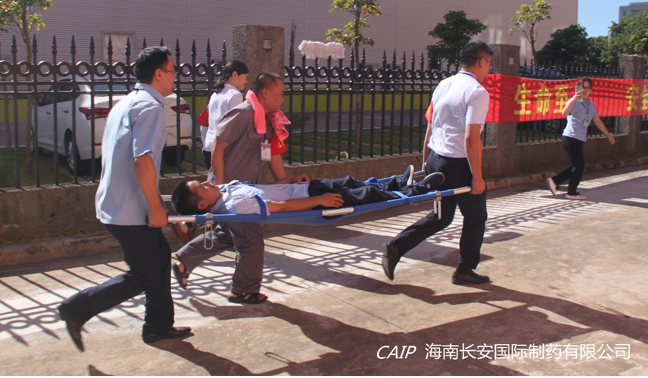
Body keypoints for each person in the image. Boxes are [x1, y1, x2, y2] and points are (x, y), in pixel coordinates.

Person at [57, 46, 191, 351]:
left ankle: (158, 325)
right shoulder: (150, 107)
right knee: (145, 274)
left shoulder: (127, 102)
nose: (175, 77)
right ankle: (77, 308)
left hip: (120, 202)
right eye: (173, 71)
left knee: (159, 260)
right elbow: (142, 161)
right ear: (159, 74)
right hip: (131, 209)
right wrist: (156, 208)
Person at [173, 72, 305, 305]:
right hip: (228, 192)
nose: (283, 99)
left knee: (228, 234)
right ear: (266, 93)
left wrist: (286, 182)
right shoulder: (243, 113)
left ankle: (185, 260)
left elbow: (272, 153)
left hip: (242, 191)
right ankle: (243, 290)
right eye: (280, 94)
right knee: (250, 241)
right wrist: (221, 186)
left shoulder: (266, 118)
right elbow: (217, 145)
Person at [381, 40, 493, 286]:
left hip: (437, 160)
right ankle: (464, 271)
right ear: (482, 61)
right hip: (459, 165)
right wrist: (477, 177)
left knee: (441, 217)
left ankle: (396, 247)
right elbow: (471, 138)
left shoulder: (444, 84)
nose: (489, 69)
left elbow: (431, 126)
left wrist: (426, 162)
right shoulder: (477, 92)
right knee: (476, 217)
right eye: (489, 64)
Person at [170, 169, 445, 217]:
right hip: (310, 201)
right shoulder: (236, 206)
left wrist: (289, 179)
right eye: (201, 187)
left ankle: (393, 185)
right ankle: (414, 190)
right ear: (203, 205)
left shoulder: (224, 191)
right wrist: (320, 201)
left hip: (306, 188)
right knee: (364, 197)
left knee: (350, 182)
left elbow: (266, 189)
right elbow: (281, 207)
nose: (207, 183)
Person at [546, 77, 615, 200]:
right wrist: (573, 99)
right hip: (570, 136)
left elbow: (597, 121)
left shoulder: (590, 104)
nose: (585, 90)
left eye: (588, 87)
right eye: (583, 87)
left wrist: (608, 135)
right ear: (578, 88)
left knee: (577, 165)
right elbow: (564, 113)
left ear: (591, 89)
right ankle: (571, 192)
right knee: (579, 165)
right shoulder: (574, 102)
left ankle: (555, 181)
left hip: (580, 138)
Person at [199, 59, 250, 170]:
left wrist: (204, 142)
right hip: (224, 150)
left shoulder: (215, 94)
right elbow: (236, 126)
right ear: (235, 75)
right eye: (245, 77)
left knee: (214, 180)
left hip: (208, 147)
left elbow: (206, 122)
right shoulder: (235, 95)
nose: (246, 81)